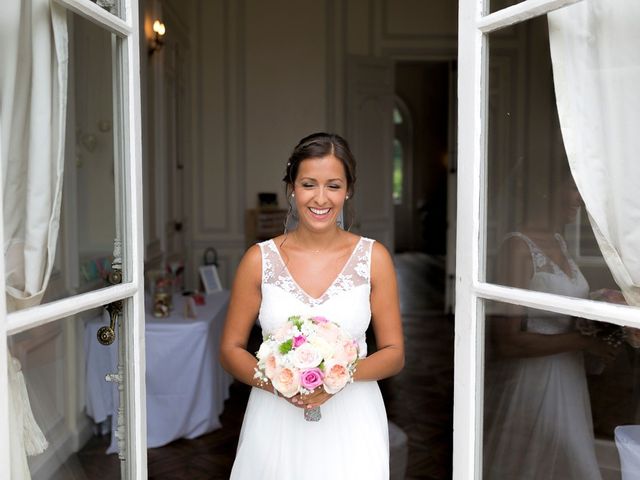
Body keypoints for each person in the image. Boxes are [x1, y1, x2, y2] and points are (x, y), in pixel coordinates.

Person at [220, 132, 405, 479]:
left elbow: (394, 353)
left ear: (348, 189)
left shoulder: (374, 258)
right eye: (308, 184)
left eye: (333, 185)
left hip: (353, 420)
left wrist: (338, 377)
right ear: (291, 187)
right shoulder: (258, 260)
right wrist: (276, 382)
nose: (321, 198)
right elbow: (230, 349)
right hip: (274, 419)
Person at [483, 172, 617, 479]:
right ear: (546, 190)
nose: (580, 199)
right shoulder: (517, 248)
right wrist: (583, 342)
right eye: (573, 188)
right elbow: (507, 341)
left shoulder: (559, 240)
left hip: (568, 377)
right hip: (534, 380)